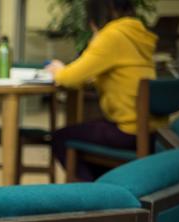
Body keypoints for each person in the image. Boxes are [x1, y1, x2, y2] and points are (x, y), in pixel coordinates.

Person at [46, 0, 159, 181]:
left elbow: (70, 78)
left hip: (129, 131)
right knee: (87, 131)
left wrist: (58, 70)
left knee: (61, 138)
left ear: (94, 20)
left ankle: (93, 196)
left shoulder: (111, 35)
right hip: (152, 130)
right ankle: (104, 187)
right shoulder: (137, 33)